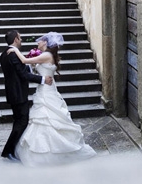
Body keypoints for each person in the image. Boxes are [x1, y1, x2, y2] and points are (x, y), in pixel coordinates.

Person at [8, 32, 97, 166]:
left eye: (40, 41)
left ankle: (48, 153)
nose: (38, 42)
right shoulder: (47, 55)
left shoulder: (46, 55)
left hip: (46, 91)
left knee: (46, 117)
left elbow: (25, 61)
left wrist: (14, 50)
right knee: (47, 118)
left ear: (45, 43)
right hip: (47, 88)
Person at [0, 29, 53, 162]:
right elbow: (23, 75)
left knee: (19, 120)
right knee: (21, 122)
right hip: (18, 93)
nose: (22, 40)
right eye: (20, 37)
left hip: (14, 92)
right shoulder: (12, 54)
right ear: (16, 40)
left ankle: (13, 148)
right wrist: (42, 79)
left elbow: (20, 71)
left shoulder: (3, 54)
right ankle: (8, 151)